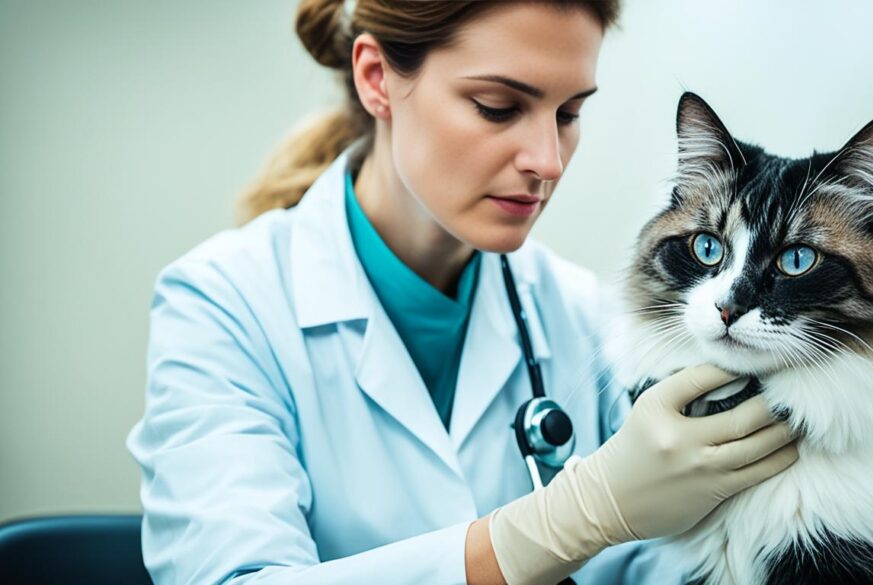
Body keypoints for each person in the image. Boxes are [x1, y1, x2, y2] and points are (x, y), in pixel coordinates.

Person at [126, 1, 799, 584]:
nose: (547, 160)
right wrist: (563, 522)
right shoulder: (221, 304)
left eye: (568, 113)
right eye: (498, 107)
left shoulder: (576, 312)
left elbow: (654, 564)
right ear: (376, 79)